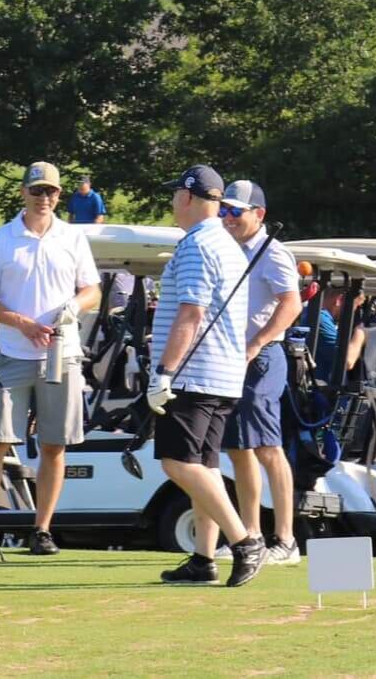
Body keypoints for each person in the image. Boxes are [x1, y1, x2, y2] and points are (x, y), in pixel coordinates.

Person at [0, 161, 101, 560]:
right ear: (23, 193)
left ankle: (42, 531)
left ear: (59, 195)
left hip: (61, 355)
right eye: (37, 191)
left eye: (51, 192)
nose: (44, 198)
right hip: (13, 353)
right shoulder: (1, 239)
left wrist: (71, 308)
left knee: (53, 446)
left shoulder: (72, 238)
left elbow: (91, 290)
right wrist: (22, 323)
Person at [148, 164, 267, 587]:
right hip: (221, 373)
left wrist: (164, 371)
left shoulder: (198, 245)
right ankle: (203, 558)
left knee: (177, 463)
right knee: (204, 465)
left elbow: (191, 313)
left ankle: (244, 541)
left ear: (185, 198)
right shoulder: (227, 243)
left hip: (195, 373)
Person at [195, 180, 305, 567]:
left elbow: (291, 305)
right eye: (223, 210)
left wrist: (257, 343)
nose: (227, 217)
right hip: (229, 359)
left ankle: (286, 540)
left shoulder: (272, 253)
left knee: (267, 448)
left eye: (235, 211)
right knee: (238, 449)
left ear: (258, 215)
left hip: (262, 357)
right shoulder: (227, 249)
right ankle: (252, 535)